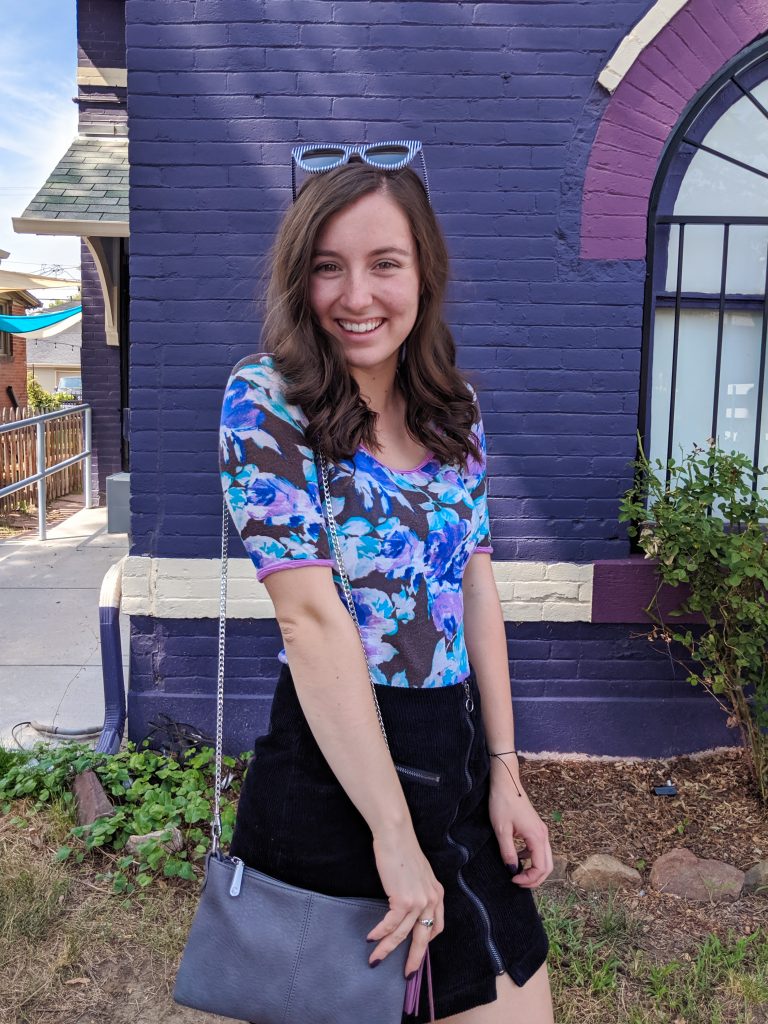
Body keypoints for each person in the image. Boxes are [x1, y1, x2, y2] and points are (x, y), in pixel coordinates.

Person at [219, 146, 555, 1024]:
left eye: (385, 264)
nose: (356, 295)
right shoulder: (265, 402)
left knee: (519, 997)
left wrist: (505, 773)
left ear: (424, 273)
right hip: (336, 766)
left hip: (453, 754)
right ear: (301, 279)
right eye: (328, 266)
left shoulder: (457, 410)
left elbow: (475, 591)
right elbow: (310, 623)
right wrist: (393, 836)